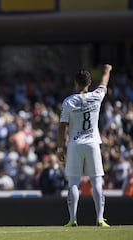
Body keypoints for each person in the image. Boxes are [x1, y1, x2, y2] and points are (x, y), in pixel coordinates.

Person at [57, 64, 112, 227]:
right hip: (93, 143)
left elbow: (61, 127)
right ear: (89, 83)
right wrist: (107, 71)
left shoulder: (69, 101)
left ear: (75, 83)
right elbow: (103, 83)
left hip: (74, 144)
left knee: (74, 181)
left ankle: (73, 219)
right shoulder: (97, 96)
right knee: (96, 181)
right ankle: (100, 218)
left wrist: (60, 148)